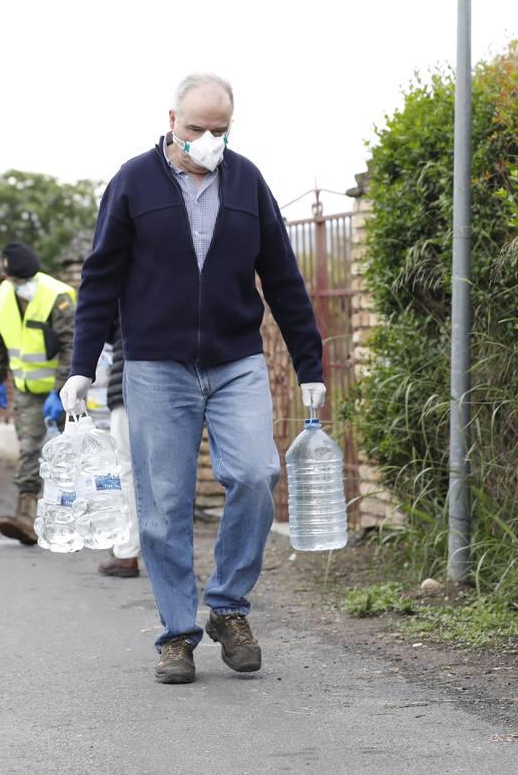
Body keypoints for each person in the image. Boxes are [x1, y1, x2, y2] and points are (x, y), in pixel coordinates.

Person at [61, 73, 325, 685]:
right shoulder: (133, 182)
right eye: (196, 128)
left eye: (220, 130)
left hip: (236, 360)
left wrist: (311, 364)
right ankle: (177, 633)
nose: (208, 140)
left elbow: (283, 278)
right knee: (164, 504)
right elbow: (99, 279)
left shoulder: (246, 181)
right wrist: (82, 366)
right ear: (171, 118)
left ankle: (228, 608)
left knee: (256, 474)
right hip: (156, 365)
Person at [0, 242, 73, 544]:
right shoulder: (0, 298)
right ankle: (25, 516)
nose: (16, 285)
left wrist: (59, 390)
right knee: (29, 448)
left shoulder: (57, 297)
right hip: (26, 389)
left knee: (67, 454)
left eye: (21, 281)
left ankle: (70, 521)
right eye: (13, 280)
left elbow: (71, 347)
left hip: (63, 390)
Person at [96, 335, 140, 577]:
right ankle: (170, 556)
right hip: (174, 384)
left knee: (126, 469)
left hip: (128, 378)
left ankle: (126, 553)